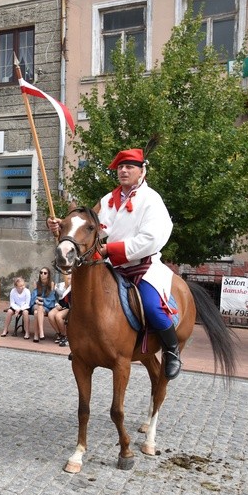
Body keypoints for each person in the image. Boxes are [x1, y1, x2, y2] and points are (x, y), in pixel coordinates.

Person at [47, 148, 181, 379]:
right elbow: (89, 226)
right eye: (120, 167)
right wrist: (63, 227)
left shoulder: (152, 200)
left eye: (129, 167)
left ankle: (172, 351)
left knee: (152, 306)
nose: (124, 171)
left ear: (142, 171)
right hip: (113, 265)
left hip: (142, 266)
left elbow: (151, 238)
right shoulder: (109, 199)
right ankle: (84, 345)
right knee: (73, 298)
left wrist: (111, 249)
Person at [29, 267, 57, 342]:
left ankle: (36, 335)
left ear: (48, 275)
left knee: (36, 313)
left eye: (45, 273)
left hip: (46, 306)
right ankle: (41, 332)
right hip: (35, 305)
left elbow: (51, 298)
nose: (42, 274)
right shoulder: (37, 283)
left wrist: (42, 300)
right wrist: (37, 301)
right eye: (41, 272)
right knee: (38, 307)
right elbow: (33, 296)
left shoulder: (51, 284)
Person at [48, 273, 71, 347]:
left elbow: (63, 294)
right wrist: (56, 304)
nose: (69, 280)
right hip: (59, 305)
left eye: (70, 278)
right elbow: (55, 296)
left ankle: (65, 336)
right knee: (51, 314)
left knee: (58, 316)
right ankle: (59, 334)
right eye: (67, 278)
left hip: (69, 307)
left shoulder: (72, 287)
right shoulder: (60, 285)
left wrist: (55, 288)